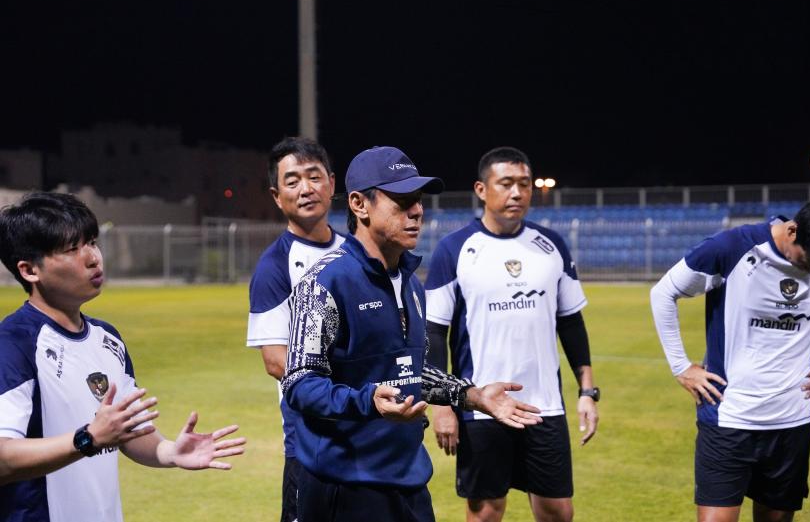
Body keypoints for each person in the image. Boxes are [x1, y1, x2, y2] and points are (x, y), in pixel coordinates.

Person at [282, 145, 543, 522]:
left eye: (417, 200)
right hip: (343, 485)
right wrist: (368, 401)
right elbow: (300, 382)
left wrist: (469, 395)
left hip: (408, 480)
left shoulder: (411, 285)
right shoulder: (324, 283)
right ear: (359, 204)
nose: (417, 211)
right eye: (402, 200)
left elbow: (409, 372)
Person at [0, 192, 245, 522]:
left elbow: (130, 434)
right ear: (30, 270)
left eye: (91, 242)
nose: (93, 258)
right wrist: (88, 438)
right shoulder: (13, 344)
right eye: (73, 249)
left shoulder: (108, 339)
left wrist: (169, 451)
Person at [424, 146, 599, 522]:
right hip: (482, 403)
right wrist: (441, 406)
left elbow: (570, 322)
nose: (517, 193)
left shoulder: (552, 246)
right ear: (482, 189)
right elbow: (434, 333)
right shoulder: (453, 250)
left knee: (557, 511)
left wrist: (587, 390)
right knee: (486, 511)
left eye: (524, 184)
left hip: (544, 404)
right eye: (506, 184)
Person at [650, 199, 810, 522]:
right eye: (808, 260)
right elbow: (663, 293)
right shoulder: (733, 247)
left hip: (791, 423)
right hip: (728, 419)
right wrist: (681, 366)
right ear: (792, 230)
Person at [246, 136, 344, 522]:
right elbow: (275, 360)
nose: (306, 188)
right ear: (277, 195)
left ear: (332, 185)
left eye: (314, 177)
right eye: (292, 181)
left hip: (367, 432)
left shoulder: (355, 251)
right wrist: (353, 391)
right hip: (310, 441)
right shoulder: (275, 265)